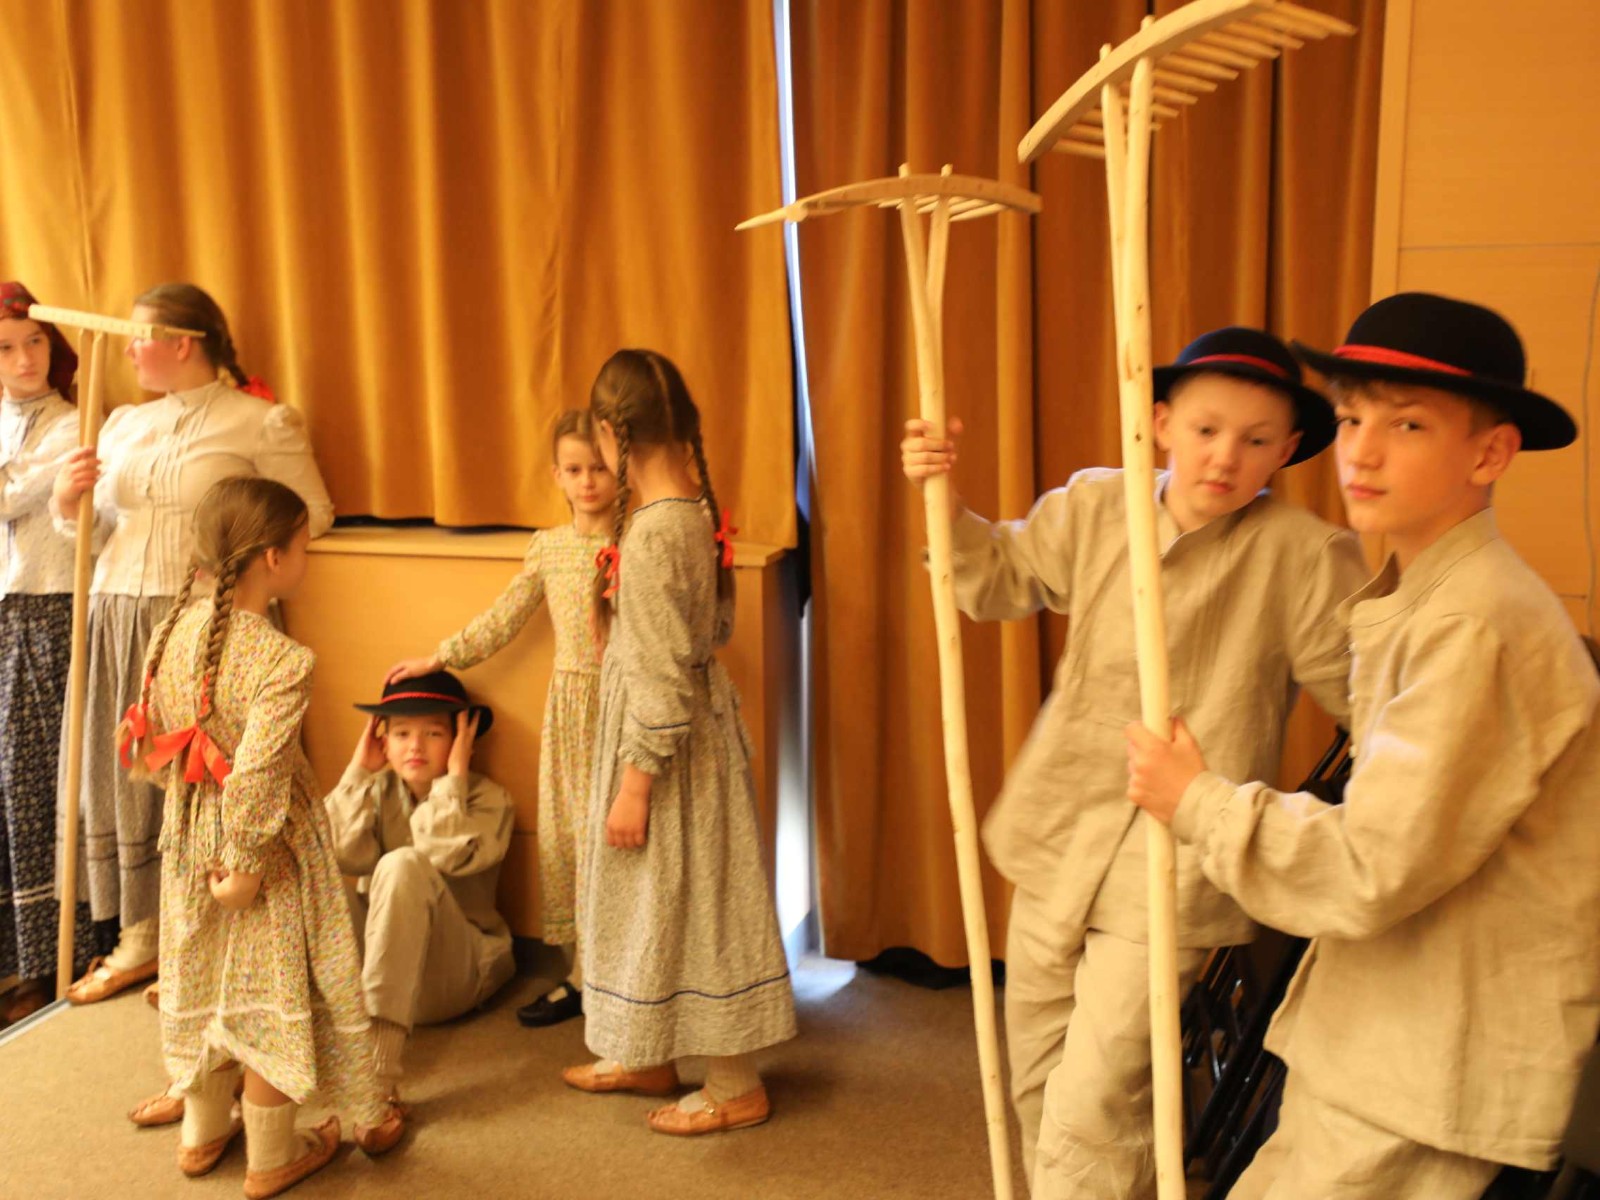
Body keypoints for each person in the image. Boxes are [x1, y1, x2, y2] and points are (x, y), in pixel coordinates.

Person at [1127, 293, 1600, 1198]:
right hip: (1395, 1018)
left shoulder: (1477, 622)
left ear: (1490, 453)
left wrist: (1200, 802)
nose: (1362, 451)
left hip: (1435, 1048)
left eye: (1407, 424)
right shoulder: (1430, 595)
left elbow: (1372, 864)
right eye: (1350, 419)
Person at [902, 327, 1367, 1195]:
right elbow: (995, 578)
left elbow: (1366, 701)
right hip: (1058, 829)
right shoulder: (1095, 506)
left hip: (1174, 865)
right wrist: (942, 497)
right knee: (1036, 1073)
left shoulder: (1305, 555)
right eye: (1206, 429)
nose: (1225, 456)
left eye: (1256, 439)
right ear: (1160, 423)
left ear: (1288, 449)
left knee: (1097, 1095)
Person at [561, 348, 796, 1135]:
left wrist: (635, 785)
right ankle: (645, 1051)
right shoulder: (688, 512)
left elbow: (662, 681)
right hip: (685, 733)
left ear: (608, 431)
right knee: (648, 902)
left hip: (666, 752)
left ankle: (735, 1084)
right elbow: (711, 627)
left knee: (691, 904)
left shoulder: (656, 533)